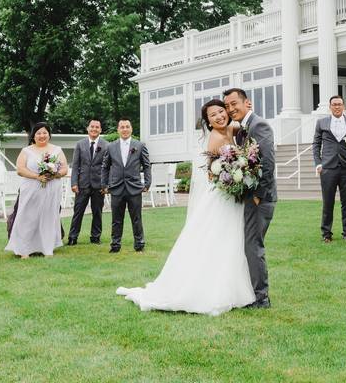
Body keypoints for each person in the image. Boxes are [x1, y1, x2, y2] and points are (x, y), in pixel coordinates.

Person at [117, 99, 256, 315]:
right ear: (208, 121)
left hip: (234, 197)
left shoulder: (234, 127)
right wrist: (231, 177)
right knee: (216, 239)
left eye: (221, 111)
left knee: (233, 240)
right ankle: (210, 289)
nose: (219, 116)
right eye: (213, 115)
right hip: (221, 195)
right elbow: (212, 173)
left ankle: (235, 288)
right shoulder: (214, 138)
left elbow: (246, 127)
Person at [223, 87, 276, 309]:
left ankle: (261, 298)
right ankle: (252, 293)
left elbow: (267, 162)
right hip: (250, 197)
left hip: (260, 199)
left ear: (247, 103)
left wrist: (257, 196)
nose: (231, 108)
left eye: (234, 103)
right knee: (249, 245)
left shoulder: (258, 125)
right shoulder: (243, 129)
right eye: (227, 106)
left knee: (253, 246)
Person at [5, 122, 68, 258]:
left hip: (51, 189)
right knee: (27, 217)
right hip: (31, 189)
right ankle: (24, 250)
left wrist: (54, 174)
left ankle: (47, 248)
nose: (42, 135)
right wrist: (37, 177)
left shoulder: (57, 150)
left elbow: (64, 169)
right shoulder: (26, 151)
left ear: (49, 135)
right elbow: (20, 170)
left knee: (48, 217)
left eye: (45, 133)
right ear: (33, 136)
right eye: (38, 133)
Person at [101, 119, 151, 253]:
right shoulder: (110, 147)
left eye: (127, 127)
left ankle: (139, 244)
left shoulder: (139, 145)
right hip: (116, 187)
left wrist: (147, 183)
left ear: (131, 129)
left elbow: (146, 165)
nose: (124, 129)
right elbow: (105, 167)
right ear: (118, 129)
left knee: (136, 218)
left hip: (134, 187)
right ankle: (115, 245)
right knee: (116, 219)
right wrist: (104, 184)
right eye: (122, 127)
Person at [312, 95, 346, 242]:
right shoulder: (321, 122)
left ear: (343, 106)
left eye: (339, 104)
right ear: (330, 107)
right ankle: (326, 234)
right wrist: (318, 164)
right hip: (328, 168)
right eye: (334, 104)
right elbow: (316, 144)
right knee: (328, 202)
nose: (337, 107)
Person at [67, 118, 106, 245]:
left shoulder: (106, 145)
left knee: (97, 212)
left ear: (100, 129)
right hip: (82, 184)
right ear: (88, 128)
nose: (94, 129)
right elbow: (75, 165)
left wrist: (106, 185)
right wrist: (74, 183)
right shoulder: (80, 144)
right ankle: (73, 237)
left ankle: (95, 237)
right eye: (92, 126)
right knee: (78, 212)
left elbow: (109, 167)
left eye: (97, 127)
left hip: (99, 185)